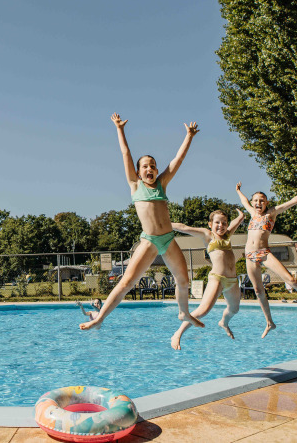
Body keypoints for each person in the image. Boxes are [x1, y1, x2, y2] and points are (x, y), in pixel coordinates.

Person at [80, 113, 204, 332]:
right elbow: (125, 153)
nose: (150, 169)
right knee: (126, 282)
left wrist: (189, 136)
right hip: (150, 241)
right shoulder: (135, 185)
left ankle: (183, 311)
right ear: (138, 172)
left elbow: (178, 160)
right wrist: (120, 129)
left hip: (169, 240)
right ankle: (99, 319)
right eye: (145, 166)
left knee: (183, 280)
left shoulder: (162, 183)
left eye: (153, 166)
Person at [236, 180, 297, 338]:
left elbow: (294, 200)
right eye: (255, 200)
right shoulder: (252, 213)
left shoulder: (272, 213)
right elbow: (244, 201)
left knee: (291, 280)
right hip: (249, 256)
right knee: (258, 290)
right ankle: (269, 322)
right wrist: (238, 191)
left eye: (262, 200)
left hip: (264, 253)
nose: (258, 203)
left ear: (267, 203)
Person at [170, 208, 245, 350]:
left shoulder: (227, 235)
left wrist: (241, 216)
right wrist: (163, 224)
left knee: (234, 309)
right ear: (210, 224)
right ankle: (177, 334)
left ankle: (224, 322)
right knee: (202, 311)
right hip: (217, 279)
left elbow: (236, 223)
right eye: (217, 222)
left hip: (232, 281)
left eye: (224, 223)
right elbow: (184, 228)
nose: (221, 225)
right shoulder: (208, 235)